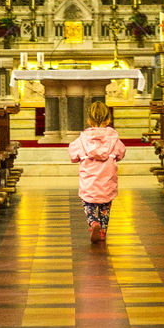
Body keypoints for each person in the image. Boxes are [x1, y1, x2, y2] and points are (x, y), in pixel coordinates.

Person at [68, 100, 126, 244]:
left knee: (88, 203)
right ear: (108, 119)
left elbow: (73, 155)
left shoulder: (82, 139)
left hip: (90, 182)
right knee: (105, 206)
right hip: (107, 181)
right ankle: (103, 231)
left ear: (88, 120)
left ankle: (93, 222)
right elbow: (121, 153)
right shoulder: (114, 138)